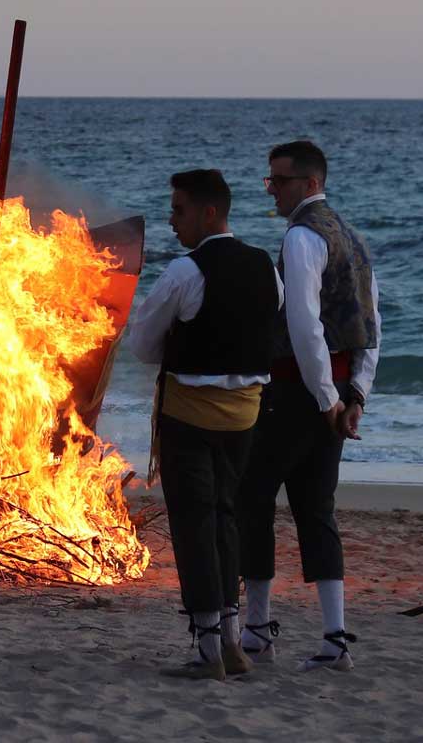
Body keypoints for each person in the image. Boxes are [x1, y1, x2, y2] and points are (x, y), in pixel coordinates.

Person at [127, 169, 282, 681]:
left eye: (178, 210)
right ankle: (233, 640)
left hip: (188, 417)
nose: (172, 221)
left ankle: (208, 648)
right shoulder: (266, 267)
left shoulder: (185, 272)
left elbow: (143, 345)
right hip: (245, 417)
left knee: (195, 525)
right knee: (227, 518)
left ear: (208, 213)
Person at [237, 140, 380, 672]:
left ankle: (256, 628)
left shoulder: (301, 237)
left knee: (253, 499)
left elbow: (304, 325)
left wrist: (325, 399)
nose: (271, 189)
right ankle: (334, 637)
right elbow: (371, 327)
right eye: (270, 179)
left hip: (298, 393)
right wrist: (356, 394)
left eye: (279, 180)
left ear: (310, 184)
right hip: (335, 393)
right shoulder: (353, 237)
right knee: (317, 511)